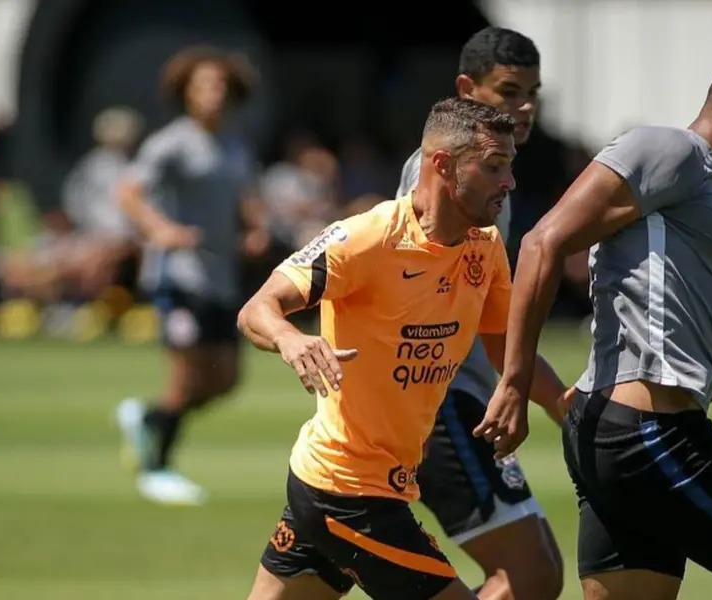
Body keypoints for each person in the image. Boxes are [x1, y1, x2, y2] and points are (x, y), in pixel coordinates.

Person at [477, 53, 712, 600]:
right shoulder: (672, 150)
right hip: (652, 434)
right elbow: (541, 243)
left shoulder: (706, 205)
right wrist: (513, 382)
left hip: (618, 437)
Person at [238, 97, 567, 600]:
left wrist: (535, 397)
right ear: (442, 164)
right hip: (347, 491)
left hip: (370, 484)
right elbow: (257, 309)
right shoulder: (366, 237)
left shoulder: (486, 246)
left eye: (510, 167)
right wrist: (290, 338)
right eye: (495, 167)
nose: (510, 183)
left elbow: (503, 345)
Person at [394, 27, 563, 600]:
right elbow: (406, 291)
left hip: (457, 394)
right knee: (530, 573)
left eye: (532, 93)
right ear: (468, 89)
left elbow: (491, 320)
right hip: (436, 400)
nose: (526, 107)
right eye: (510, 90)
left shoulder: (493, 175)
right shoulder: (446, 173)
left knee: (536, 570)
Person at [114, 46, 269, 506]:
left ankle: (149, 418)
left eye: (220, 85)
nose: (213, 94)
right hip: (179, 276)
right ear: (185, 93)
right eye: (203, 85)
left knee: (224, 381)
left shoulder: (235, 144)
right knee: (185, 378)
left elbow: (246, 198)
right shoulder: (172, 142)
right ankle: (156, 469)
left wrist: (255, 229)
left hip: (220, 276)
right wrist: (160, 229)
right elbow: (129, 192)